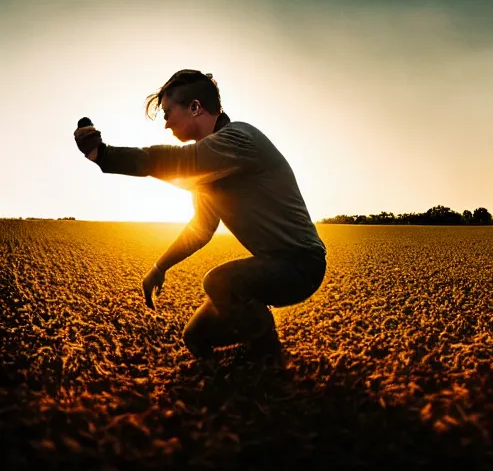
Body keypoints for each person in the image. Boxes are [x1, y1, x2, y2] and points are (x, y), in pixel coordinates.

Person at [73, 70, 327, 361]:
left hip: (301, 266)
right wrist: (160, 266)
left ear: (195, 107)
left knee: (219, 281)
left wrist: (103, 155)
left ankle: (269, 359)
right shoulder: (210, 169)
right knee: (195, 337)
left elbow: (179, 162)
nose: (166, 123)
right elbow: (202, 228)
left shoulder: (239, 138)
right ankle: (247, 350)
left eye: (168, 113)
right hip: (271, 265)